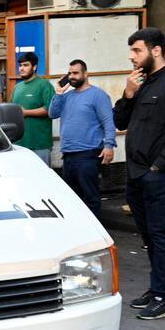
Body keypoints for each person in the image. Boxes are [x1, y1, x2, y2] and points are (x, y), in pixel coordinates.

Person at [113, 27, 165, 321]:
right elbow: (119, 120)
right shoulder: (142, 84)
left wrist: (157, 167)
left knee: (162, 235)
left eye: (137, 50)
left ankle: (164, 296)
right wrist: (128, 93)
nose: (132, 57)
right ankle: (156, 287)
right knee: (149, 234)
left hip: (163, 175)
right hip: (137, 174)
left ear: (156, 50)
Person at [47, 59, 115, 217]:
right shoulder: (67, 96)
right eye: (69, 73)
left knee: (90, 197)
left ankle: (96, 236)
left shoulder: (98, 95)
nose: (72, 76)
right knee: (73, 199)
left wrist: (109, 145)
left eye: (76, 73)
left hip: (88, 155)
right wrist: (58, 93)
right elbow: (52, 113)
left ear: (86, 74)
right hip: (68, 155)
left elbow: (108, 122)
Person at [10, 52, 54, 165]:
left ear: (34, 67)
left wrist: (26, 112)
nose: (21, 68)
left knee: (42, 180)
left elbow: (50, 110)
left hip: (40, 144)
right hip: (19, 145)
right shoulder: (17, 88)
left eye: (26, 65)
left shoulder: (44, 85)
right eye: (20, 65)